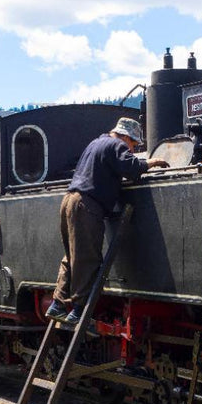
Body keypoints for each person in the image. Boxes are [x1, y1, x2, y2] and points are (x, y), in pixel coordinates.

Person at [46, 118, 169, 324]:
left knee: (71, 256)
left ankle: (57, 304)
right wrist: (152, 162)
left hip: (69, 201)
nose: (133, 148)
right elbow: (130, 167)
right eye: (134, 144)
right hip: (87, 205)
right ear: (127, 137)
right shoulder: (116, 145)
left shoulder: (95, 143)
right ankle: (78, 312)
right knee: (88, 259)